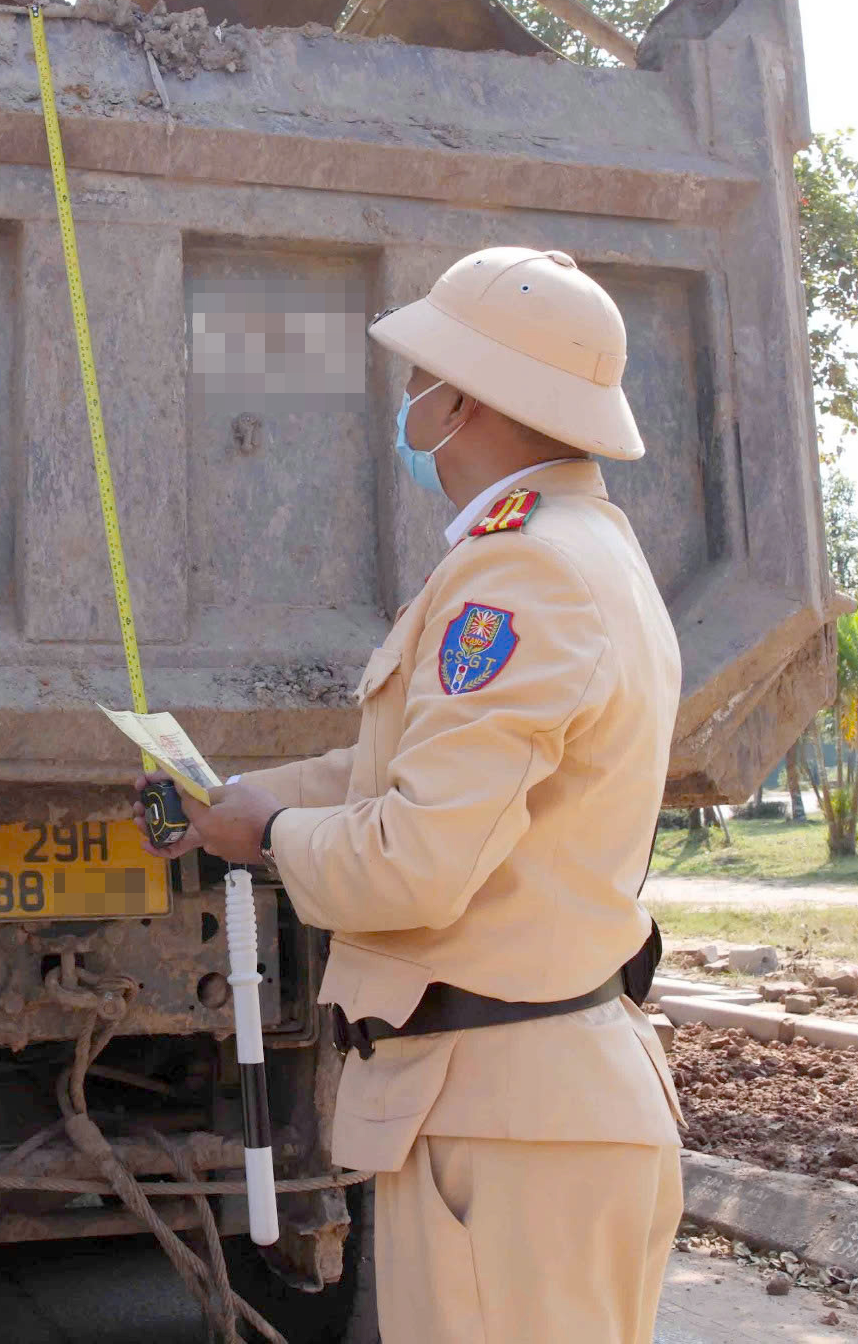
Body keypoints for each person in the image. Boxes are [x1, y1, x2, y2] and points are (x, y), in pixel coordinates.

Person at [159, 248, 685, 1343]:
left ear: (469, 401)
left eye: (421, 379)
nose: (407, 402)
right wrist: (249, 799)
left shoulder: (518, 572)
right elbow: (414, 779)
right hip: (524, 1112)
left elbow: (415, 862)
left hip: (505, 1130)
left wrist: (270, 835)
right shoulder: (585, 549)